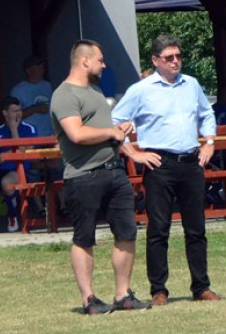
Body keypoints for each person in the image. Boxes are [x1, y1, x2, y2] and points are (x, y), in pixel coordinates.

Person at [111, 34, 222, 306]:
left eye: (178, 56)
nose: (175, 61)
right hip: (159, 165)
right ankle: (158, 290)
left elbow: (207, 113)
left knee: (196, 228)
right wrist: (133, 152)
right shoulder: (141, 89)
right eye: (169, 57)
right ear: (155, 60)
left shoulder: (191, 85)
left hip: (191, 162)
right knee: (158, 230)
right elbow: (116, 120)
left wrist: (209, 143)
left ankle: (201, 286)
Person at [50, 39, 150, 315]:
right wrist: (111, 132)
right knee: (84, 238)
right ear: (85, 61)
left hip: (114, 173)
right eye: (100, 60)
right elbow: (77, 134)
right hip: (83, 177)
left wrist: (127, 146)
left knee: (127, 233)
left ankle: (123, 295)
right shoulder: (64, 95)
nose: (104, 65)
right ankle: (89, 299)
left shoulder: (95, 91)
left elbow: (107, 131)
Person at [0, 96, 37, 232]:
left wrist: (14, 130)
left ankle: (13, 217)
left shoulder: (29, 129)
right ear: (5, 113)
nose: (18, 114)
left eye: (19, 110)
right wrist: (9, 153)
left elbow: (22, 152)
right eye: (14, 111)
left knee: (6, 183)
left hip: (18, 170)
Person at [10, 55, 53, 138]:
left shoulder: (48, 86)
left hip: (50, 136)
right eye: (38, 67)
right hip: (30, 138)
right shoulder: (17, 91)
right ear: (28, 71)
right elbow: (13, 116)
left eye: (42, 66)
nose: (42, 69)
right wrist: (36, 109)